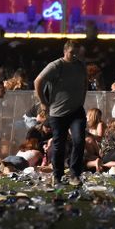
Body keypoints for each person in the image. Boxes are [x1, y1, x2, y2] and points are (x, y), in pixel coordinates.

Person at [34, 40, 87, 186]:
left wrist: (82, 98)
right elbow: (37, 81)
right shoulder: (56, 65)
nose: (75, 55)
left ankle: (74, 174)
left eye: (77, 53)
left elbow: (85, 81)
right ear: (65, 51)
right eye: (72, 53)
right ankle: (57, 175)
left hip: (76, 110)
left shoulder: (80, 65)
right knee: (59, 144)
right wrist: (43, 102)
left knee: (79, 140)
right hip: (58, 112)